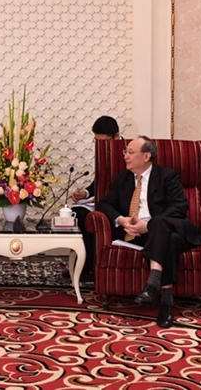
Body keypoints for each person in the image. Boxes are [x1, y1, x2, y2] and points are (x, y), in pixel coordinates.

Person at [96, 136, 201, 328]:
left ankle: (154, 285)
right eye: (125, 152)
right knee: (169, 239)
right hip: (141, 236)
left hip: (169, 228)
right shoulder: (122, 179)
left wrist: (149, 225)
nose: (125, 156)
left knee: (160, 225)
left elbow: (180, 206)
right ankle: (165, 301)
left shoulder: (167, 176)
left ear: (146, 156)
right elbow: (104, 203)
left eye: (130, 152)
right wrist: (121, 219)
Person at [70, 115, 120, 282]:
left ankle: (92, 267)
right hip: (100, 200)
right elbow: (100, 179)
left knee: (91, 216)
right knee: (77, 212)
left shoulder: (129, 152)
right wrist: (85, 194)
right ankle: (82, 264)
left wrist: (102, 197)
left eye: (103, 141)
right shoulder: (103, 151)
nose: (100, 145)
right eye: (96, 141)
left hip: (120, 203)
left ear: (116, 137)